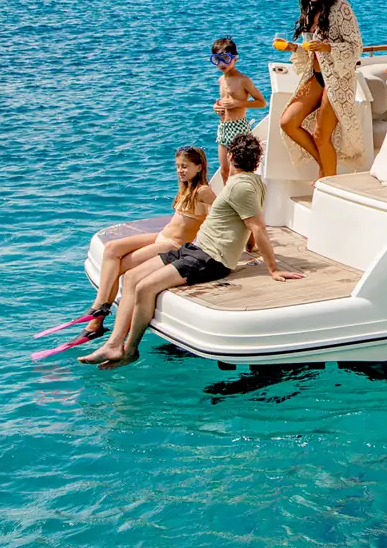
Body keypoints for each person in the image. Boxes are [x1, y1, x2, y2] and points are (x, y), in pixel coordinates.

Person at [81, 133, 300, 369]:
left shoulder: (242, 187)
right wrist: (249, 246)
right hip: (196, 249)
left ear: (231, 156)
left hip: (210, 259)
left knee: (145, 287)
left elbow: (257, 227)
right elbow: (245, 224)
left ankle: (129, 349)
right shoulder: (245, 182)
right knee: (132, 276)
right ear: (256, 161)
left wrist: (273, 268)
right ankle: (113, 343)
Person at [81, 147, 215, 337]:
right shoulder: (185, 187)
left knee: (121, 266)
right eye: (178, 166)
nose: (180, 170)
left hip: (172, 245)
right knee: (112, 248)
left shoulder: (203, 191)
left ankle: (97, 319)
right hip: (162, 236)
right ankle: (100, 305)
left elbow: (221, 214)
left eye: (185, 166)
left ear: (199, 167)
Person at [273, 0, 364, 178]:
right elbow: (311, 51)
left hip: (338, 79)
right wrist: (293, 47)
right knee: (288, 122)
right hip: (315, 76)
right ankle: (323, 164)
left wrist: (327, 47)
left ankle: (327, 180)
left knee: (321, 135)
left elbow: (356, 47)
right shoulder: (310, 9)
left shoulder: (341, 7)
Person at [210, 37, 266, 181]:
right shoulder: (221, 80)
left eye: (226, 59)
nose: (222, 64)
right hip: (223, 127)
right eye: (217, 59)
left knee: (237, 170)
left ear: (235, 58)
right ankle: (227, 194)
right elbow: (224, 102)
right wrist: (217, 107)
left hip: (238, 127)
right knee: (224, 170)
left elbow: (261, 103)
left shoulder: (243, 80)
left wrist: (238, 103)